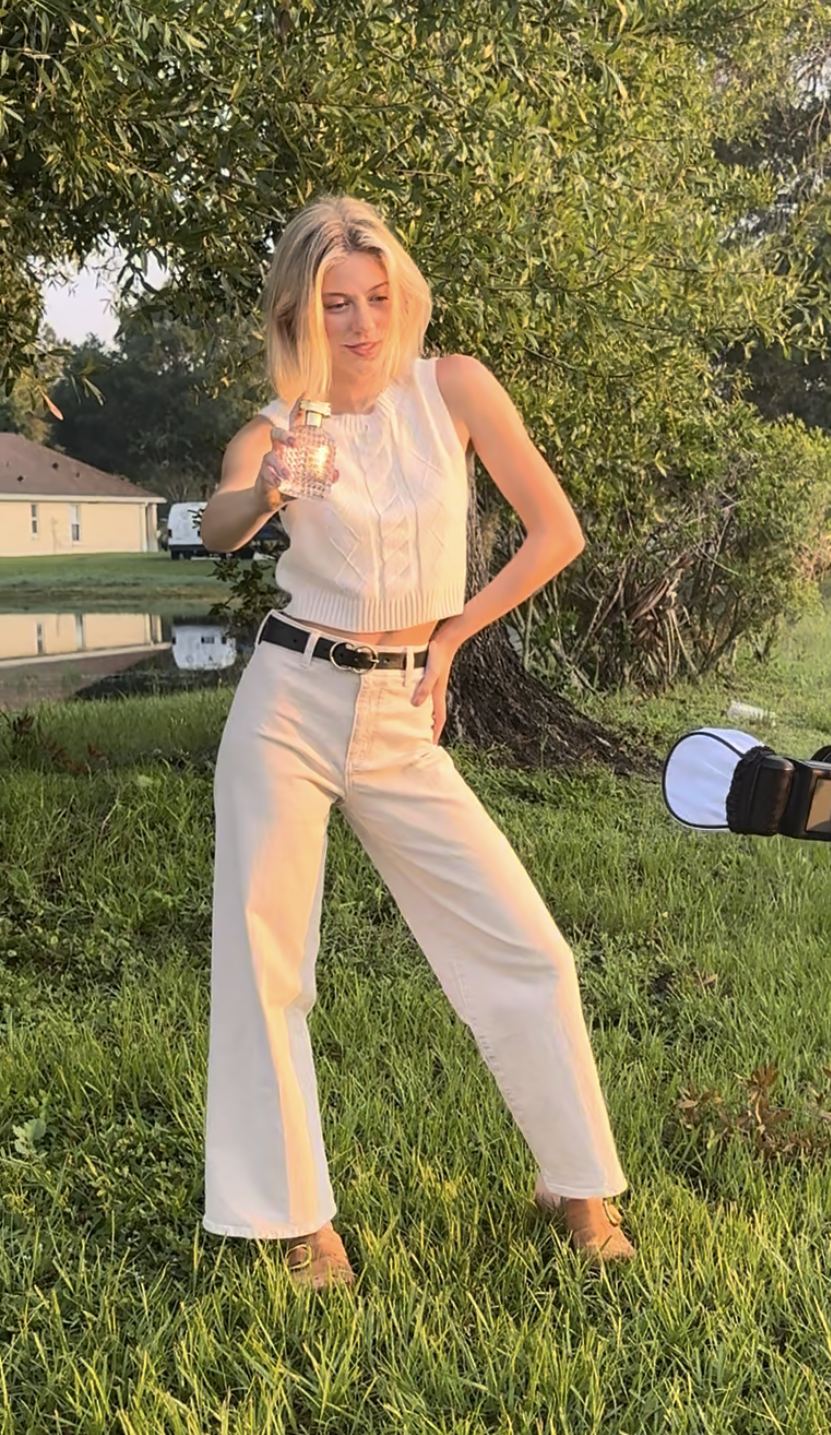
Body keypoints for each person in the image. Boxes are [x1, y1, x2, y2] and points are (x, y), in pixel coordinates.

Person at [200, 194, 632, 1287]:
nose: (362, 321)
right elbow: (216, 524)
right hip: (289, 701)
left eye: (379, 296)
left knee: (527, 946)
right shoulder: (283, 424)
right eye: (337, 303)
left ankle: (578, 1185)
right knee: (266, 965)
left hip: (401, 709)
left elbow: (558, 531)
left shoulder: (456, 388)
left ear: (405, 294)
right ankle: (300, 1221)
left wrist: (451, 641)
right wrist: (265, 487)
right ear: (299, 309)